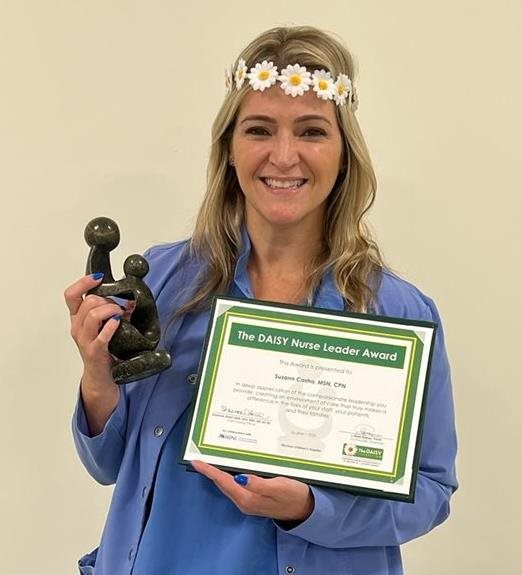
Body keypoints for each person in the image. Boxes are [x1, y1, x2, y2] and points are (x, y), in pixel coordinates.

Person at [65, 25, 457, 575]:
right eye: (259, 129)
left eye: (312, 131)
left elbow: (432, 491)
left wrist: (311, 510)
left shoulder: (397, 312)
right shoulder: (165, 279)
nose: (283, 155)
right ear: (229, 148)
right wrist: (98, 374)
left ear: (344, 154)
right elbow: (108, 464)